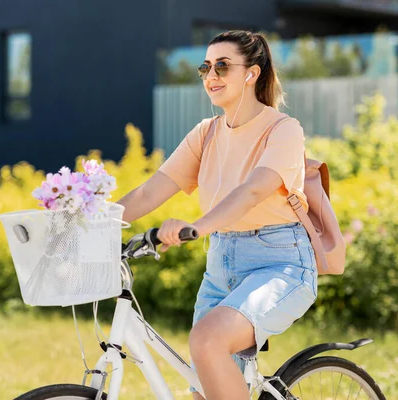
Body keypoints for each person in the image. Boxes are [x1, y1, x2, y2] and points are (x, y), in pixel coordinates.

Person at [117, 30, 317, 400]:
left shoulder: (283, 130)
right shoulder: (205, 135)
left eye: (223, 66)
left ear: (251, 73)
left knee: (208, 340)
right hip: (221, 267)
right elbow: (149, 191)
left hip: (279, 264)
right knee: (204, 394)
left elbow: (253, 190)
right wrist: (88, 222)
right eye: (205, 67)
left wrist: (196, 227)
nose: (211, 75)